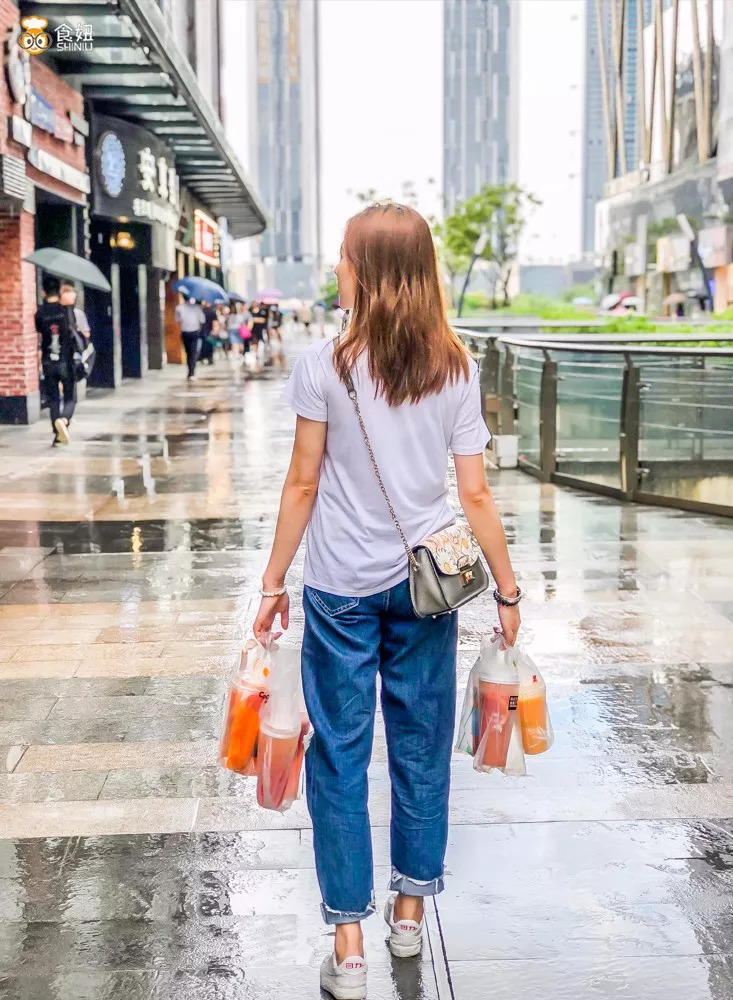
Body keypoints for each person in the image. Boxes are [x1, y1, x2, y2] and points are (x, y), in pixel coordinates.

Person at [253, 204, 521, 1000]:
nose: (334, 269)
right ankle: (407, 916)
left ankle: (349, 948)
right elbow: (473, 495)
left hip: (339, 588)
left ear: (367, 273)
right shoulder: (456, 367)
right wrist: (506, 592)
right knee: (418, 749)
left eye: (342, 258)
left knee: (339, 756)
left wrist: (272, 583)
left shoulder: (323, 365)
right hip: (426, 586)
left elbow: (302, 482)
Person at [36, 275, 78, 447]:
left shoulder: (39, 313)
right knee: (70, 398)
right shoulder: (65, 311)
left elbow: (40, 334)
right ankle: (65, 421)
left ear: (43, 292)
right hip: (65, 360)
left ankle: (57, 435)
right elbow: (72, 332)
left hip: (48, 360)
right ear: (59, 291)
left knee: (53, 399)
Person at [175, 295, 205, 381]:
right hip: (194, 332)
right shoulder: (197, 308)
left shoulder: (179, 308)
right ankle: (191, 372)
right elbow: (202, 320)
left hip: (185, 332)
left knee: (188, 352)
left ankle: (191, 371)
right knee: (193, 352)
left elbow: (177, 320)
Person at [199, 300, 219, 365]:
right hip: (210, 331)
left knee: (203, 345)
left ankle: (203, 357)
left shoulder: (201, 311)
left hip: (202, 331)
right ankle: (210, 358)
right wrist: (215, 330)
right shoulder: (213, 311)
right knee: (209, 345)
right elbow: (215, 322)